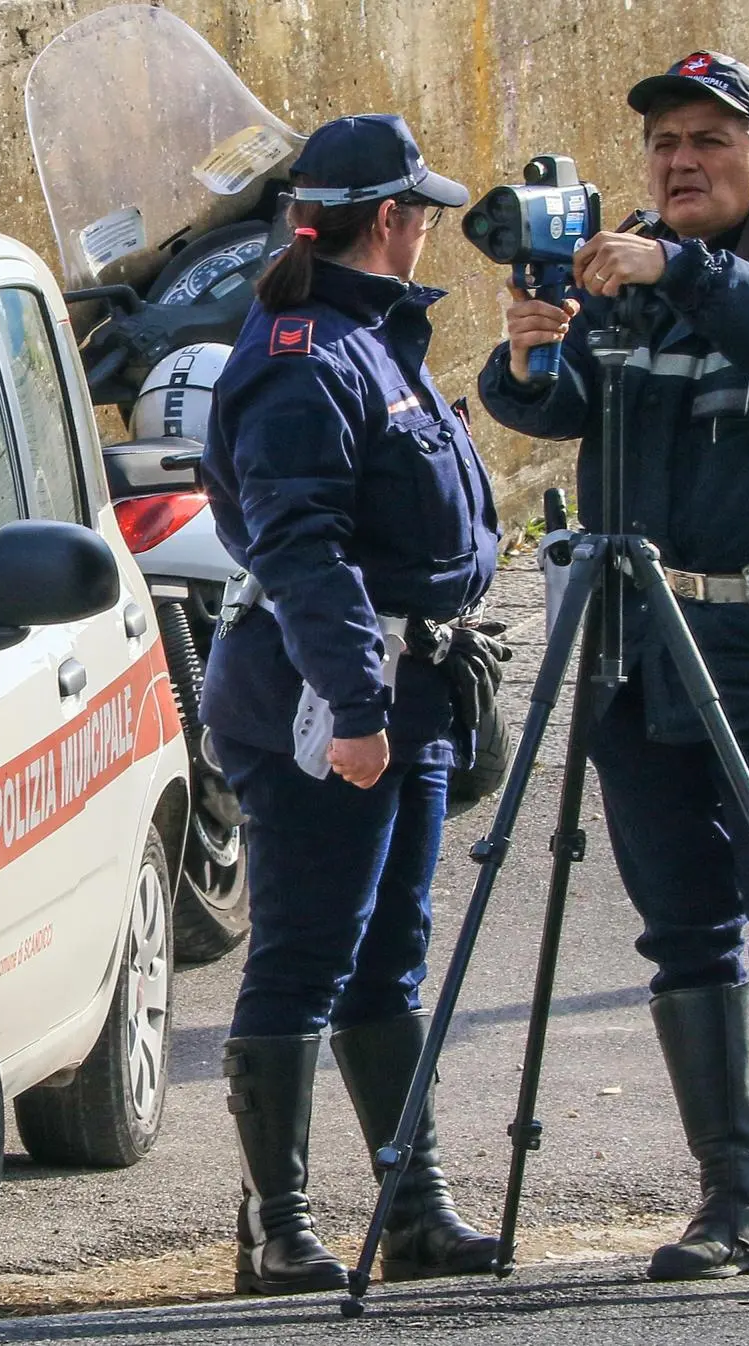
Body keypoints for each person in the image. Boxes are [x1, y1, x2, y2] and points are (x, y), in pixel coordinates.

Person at [477, 51, 749, 1291]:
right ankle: (737, 1198)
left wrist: (677, 268)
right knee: (684, 927)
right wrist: (530, 355)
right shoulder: (627, 265)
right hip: (641, 647)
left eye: (710, 142)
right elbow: (556, 408)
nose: (680, 162)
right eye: (666, 143)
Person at [198, 113, 509, 1295]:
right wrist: (358, 705)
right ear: (392, 220)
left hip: (405, 683)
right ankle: (277, 1226)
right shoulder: (303, 356)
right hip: (324, 694)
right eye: (422, 209)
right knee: (307, 951)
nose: (430, 225)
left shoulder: (375, 339)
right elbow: (303, 550)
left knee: (393, 952)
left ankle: (413, 1203)